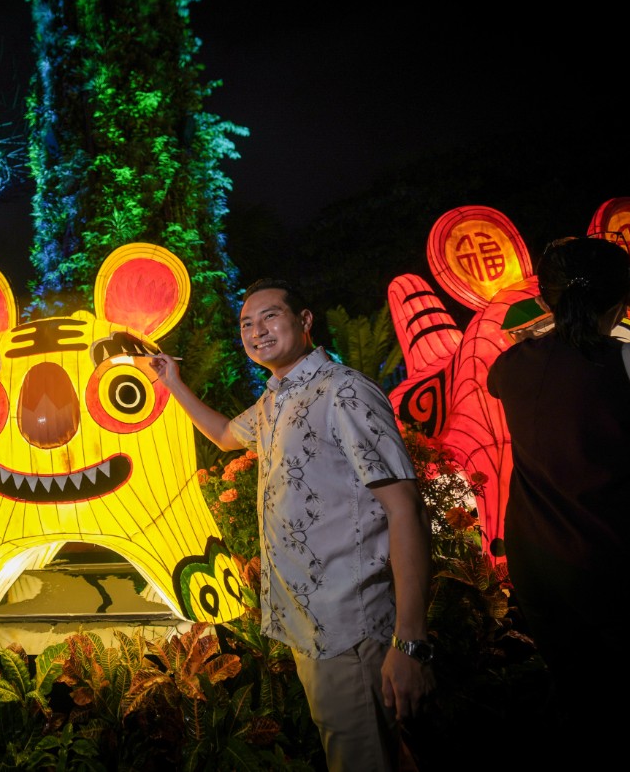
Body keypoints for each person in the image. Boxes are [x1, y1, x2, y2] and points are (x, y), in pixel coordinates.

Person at [150, 278, 435, 772]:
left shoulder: (344, 391)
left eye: (270, 316)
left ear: (304, 322)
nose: (257, 330)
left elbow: (404, 507)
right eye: (246, 323)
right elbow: (223, 436)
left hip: (352, 626)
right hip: (312, 627)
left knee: (360, 756)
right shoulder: (276, 399)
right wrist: (170, 382)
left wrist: (410, 643)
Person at [487, 236, 630, 766]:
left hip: (544, 570)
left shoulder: (511, 367)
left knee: (584, 709)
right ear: (627, 297)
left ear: (543, 297)